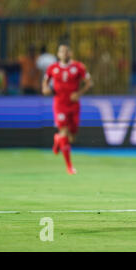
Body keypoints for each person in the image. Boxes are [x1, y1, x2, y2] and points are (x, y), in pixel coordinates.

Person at [42, 43, 93, 175]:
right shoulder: (52, 68)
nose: (64, 54)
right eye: (61, 52)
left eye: (66, 51)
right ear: (58, 54)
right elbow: (45, 83)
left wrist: (79, 93)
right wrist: (45, 89)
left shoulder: (78, 67)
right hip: (60, 104)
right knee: (64, 131)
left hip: (74, 105)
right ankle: (69, 166)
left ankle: (58, 139)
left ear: (70, 53)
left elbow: (89, 82)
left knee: (72, 137)